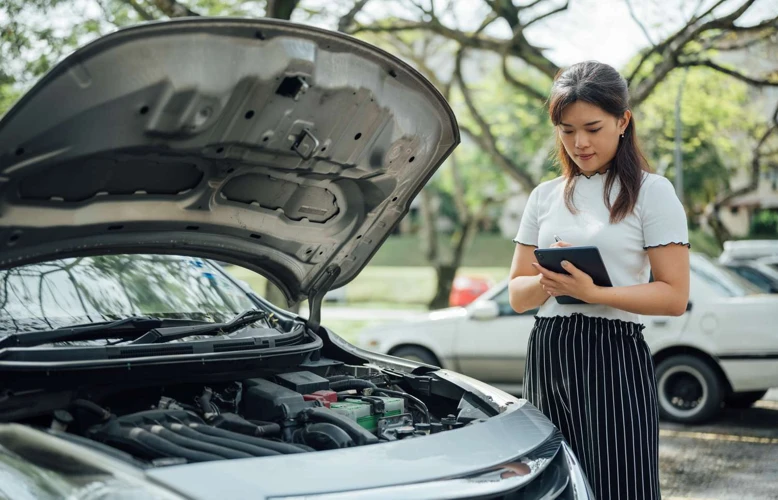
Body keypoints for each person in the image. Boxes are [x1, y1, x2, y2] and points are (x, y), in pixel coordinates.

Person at [508, 61, 690, 500]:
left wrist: (593, 293)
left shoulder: (652, 191)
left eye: (592, 127)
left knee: (619, 485)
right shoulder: (544, 196)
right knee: (551, 486)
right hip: (548, 350)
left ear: (623, 121)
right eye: (567, 130)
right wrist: (551, 282)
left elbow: (673, 295)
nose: (579, 142)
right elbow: (517, 294)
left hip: (612, 354)